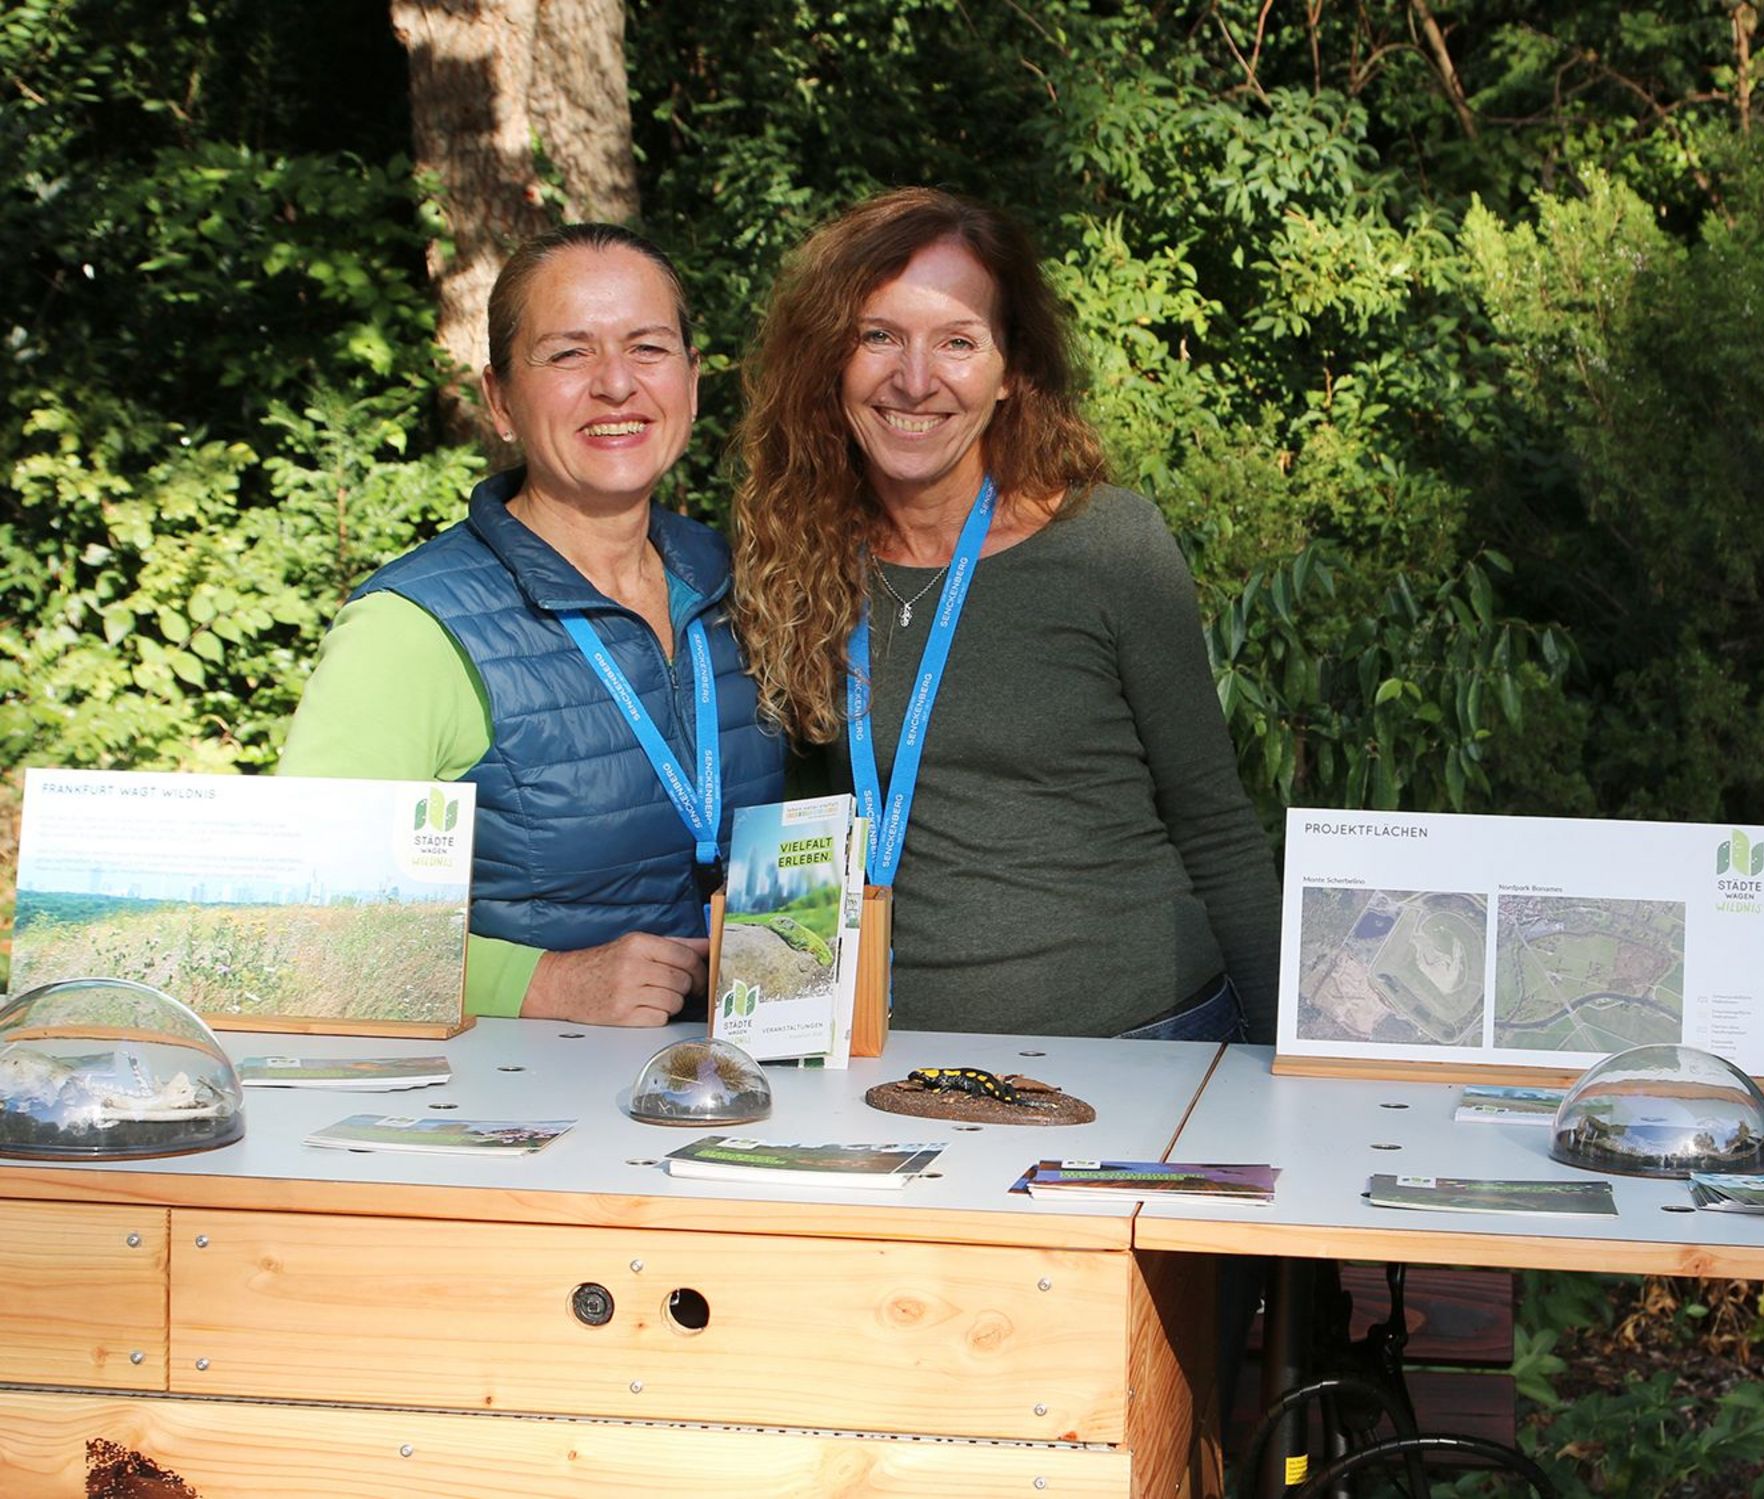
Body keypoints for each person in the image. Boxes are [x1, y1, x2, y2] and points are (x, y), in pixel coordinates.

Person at [730, 188, 1279, 1041]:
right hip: (889, 1060)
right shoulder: (792, 557)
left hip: (1141, 1047)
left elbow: (1213, 822)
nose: (915, 378)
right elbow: (797, 830)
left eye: (957, 341)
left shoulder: (1107, 545)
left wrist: (1292, 1059)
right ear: (829, 358)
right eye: (879, 335)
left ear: (1012, 372)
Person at [281, 224, 783, 1024]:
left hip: (746, 1094)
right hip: (520, 1113)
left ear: (692, 381)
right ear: (499, 399)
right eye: (568, 354)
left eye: (648, 348)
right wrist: (539, 982)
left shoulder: (752, 583)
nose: (616, 384)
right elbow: (305, 920)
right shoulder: (410, 631)